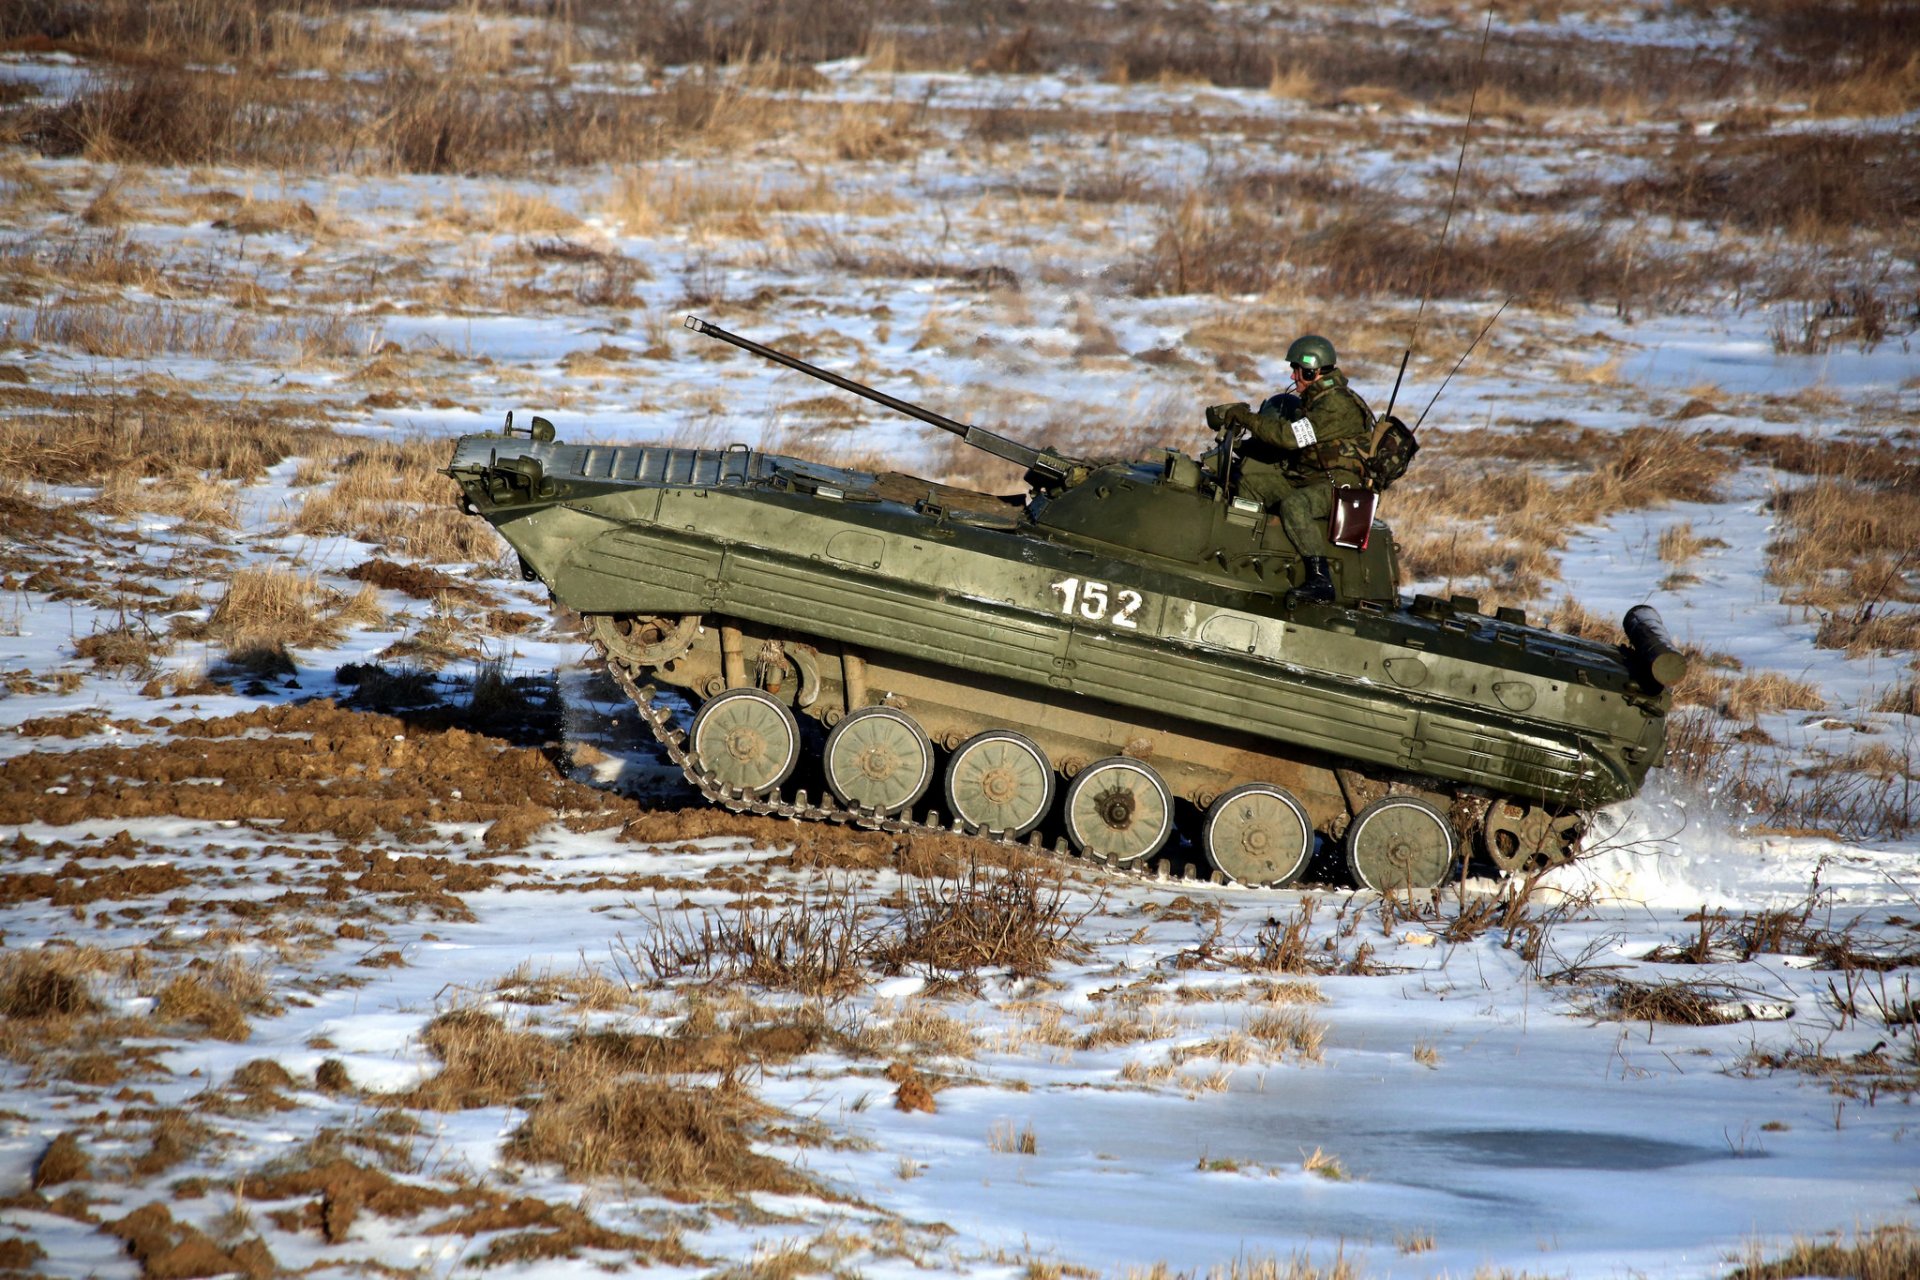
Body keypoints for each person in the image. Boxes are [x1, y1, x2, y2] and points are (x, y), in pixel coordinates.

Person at [1204, 334, 1376, 603]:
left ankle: (1321, 580)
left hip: (1338, 487)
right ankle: (1246, 557)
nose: (1294, 377)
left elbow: (1289, 437)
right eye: (1294, 370)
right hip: (1307, 478)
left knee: (1295, 506)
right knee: (1251, 483)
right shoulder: (1318, 400)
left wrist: (1245, 417)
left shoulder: (1337, 405)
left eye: (1300, 371)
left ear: (1314, 371)